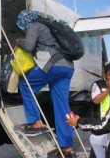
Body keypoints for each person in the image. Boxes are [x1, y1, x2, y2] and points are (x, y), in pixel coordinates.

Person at [15, 10, 75, 157]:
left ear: (25, 22)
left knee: (25, 85)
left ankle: (36, 121)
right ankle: (67, 146)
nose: (23, 30)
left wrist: (18, 42)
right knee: (62, 105)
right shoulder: (49, 26)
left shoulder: (34, 25)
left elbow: (28, 46)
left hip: (52, 64)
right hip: (67, 66)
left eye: (22, 27)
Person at [89, 63, 110, 158]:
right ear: (104, 73)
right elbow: (95, 100)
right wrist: (108, 89)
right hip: (100, 121)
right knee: (97, 147)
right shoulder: (97, 84)